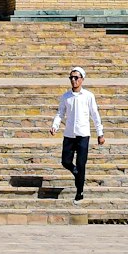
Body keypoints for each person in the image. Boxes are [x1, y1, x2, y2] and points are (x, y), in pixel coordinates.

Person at [51, 64, 104, 202]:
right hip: (69, 134)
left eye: (76, 77)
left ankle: (79, 192)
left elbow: (95, 114)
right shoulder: (66, 96)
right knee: (66, 161)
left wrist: (100, 133)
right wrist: (55, 125)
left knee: (81, 164)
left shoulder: (88, 96)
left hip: (83, 135)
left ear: (82, 79)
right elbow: (60, 113)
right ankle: (76, 173)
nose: (73, 80)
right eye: (71, 78)